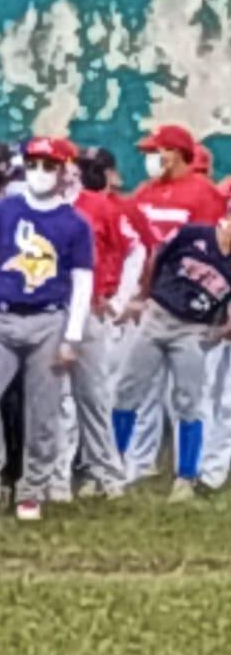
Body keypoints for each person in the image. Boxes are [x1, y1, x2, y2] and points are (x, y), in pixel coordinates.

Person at [0, 136, 93, 521]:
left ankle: (32, 489)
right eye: (34, 164)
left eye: (49, 166)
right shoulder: (2, 212)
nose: (40, 173)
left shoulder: (74, 223)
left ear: (64, 172)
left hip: (48, 319)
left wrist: (72, 336)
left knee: (42, 412)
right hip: (1, 318)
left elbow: (82, 282)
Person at [127, 123, 227, 481]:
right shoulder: (145, 192)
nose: (151, 160)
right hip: (154, 298)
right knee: (138, 388)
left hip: (194, 307)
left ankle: (197, 470)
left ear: (177, 154)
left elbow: (217, 255)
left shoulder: (204, 195)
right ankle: (134, 464)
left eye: (157, 152)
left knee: (192, 395)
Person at [112, 215, 231, 500]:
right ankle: (111, 469)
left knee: (189, 402)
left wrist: (220, 329)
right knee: (127, 392)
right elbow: (158, 256)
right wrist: (144, 295)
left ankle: (185, 478)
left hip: (193, 329)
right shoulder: (194, 233)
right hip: (158, 317)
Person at [67, 146, 149, 499]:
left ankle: (102, 470)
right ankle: (63, 473)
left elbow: (139, 250)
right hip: (54, 308)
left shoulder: (107, 207)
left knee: (96, 394)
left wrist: (120, 299)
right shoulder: (43, 206)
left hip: (95, 311)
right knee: (59, 402)